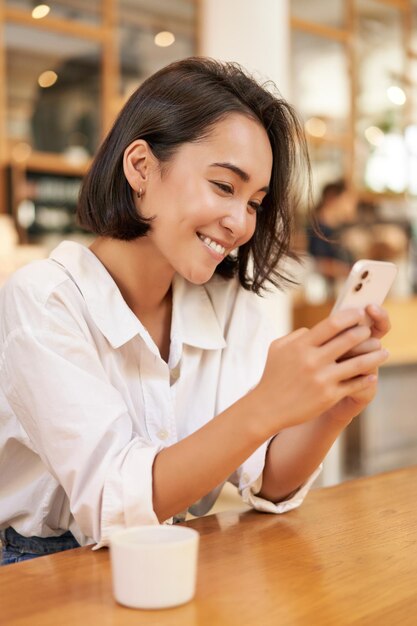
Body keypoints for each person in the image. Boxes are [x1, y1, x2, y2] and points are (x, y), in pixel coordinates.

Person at [0, 57, 390, 564]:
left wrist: (335, 407)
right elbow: (109, 501)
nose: (240, 223)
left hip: (179, 557)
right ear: (141, 166)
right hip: (43, 572)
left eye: (254, 202)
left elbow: (267, 479)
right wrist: (268, 404)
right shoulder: (43, 300)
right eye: (225, 187)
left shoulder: (226, 306)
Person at [307, 179, 357, 290]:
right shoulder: (316, 229)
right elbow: (317, 264)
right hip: (321, 293)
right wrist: (350, 272)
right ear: (332, 198)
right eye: (348, 200)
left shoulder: (338, 230)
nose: (352, 206)